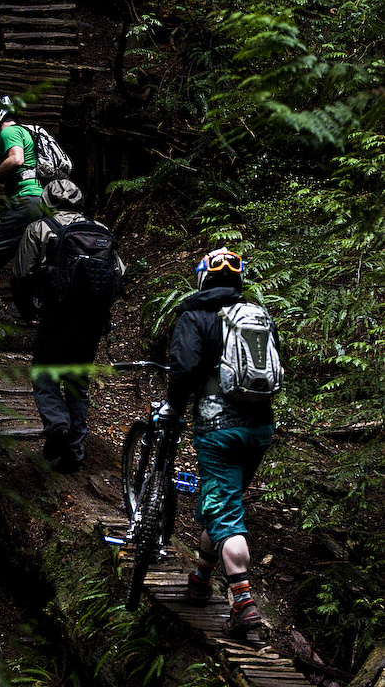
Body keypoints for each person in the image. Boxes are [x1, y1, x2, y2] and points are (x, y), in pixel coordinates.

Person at [158, 247, 278, 638]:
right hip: (259, 427)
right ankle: (199, 581)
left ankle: (244, 605)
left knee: (226, 514)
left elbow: (185, 368)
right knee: (224, 501)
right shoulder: (257, 315)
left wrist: (173, 408)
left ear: (202, 278)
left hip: (218, 430)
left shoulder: (194, 315)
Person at [12, 178, 125, 474]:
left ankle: (57, 423)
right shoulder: (100, 231)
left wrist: (27, 312)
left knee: (44, 373)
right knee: (77, 383)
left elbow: (22, 275)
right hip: (90, 321)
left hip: (55, 315)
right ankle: (74, 454)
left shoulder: (39, 229)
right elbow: (118, 274)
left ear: (47, 201)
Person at [0, 96, 44, 319]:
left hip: (26, 201)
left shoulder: (9, 132)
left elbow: (16, 160)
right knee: (31, 260)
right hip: (41, 201)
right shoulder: (25, 132)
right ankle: (32, 315)